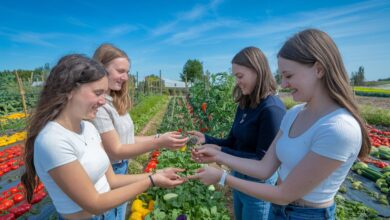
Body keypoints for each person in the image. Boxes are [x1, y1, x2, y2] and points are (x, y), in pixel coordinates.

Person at [190, 29, 370, 220]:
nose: (283, 84)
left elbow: (285, 194)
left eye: (289, 75)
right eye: (282, 76)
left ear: (319, 69)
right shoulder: (294, 114)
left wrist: (222, 177)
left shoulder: (339, 128)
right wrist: (218, 153)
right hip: (278, 211)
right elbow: (264, 168)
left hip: (308, 215)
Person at [21, 54, 186, 220]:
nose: (103, 101)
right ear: (70, 91)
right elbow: (94, 203)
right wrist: (151, 181)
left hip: (109, 213)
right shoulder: (53, 141)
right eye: (98, 93)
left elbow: (112, 180)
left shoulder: (88, 129)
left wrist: (158, 174)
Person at [91, 43, 188, 219]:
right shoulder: (98, 106)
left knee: (118, 213)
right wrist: (159, 143)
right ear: (100, 68)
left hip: (120, 168)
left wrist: (159, 137)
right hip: (108, 171)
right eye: (120, 71)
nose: (125, 77)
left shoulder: (113, 100)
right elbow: (116, 149)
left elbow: (126, 139)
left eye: (127, 72)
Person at [189, 46, 286, 220]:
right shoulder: (246, 103)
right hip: (238, 178)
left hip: (258, 186)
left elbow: (261, 161)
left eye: (240, 76)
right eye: (236, 77)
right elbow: (233, 142)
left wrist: (219, 153)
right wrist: (206, 139)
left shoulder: (272, 110)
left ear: (257, 71)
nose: (237, 82)